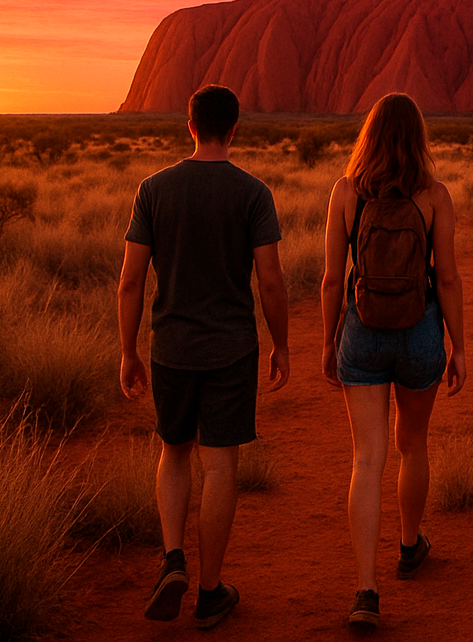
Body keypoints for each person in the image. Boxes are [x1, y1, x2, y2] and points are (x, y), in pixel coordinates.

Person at [118, 83, 290, 630]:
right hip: (231, 349)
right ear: (234, 128)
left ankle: (172, 560)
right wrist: (282, 343)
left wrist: (127, 350)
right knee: (219, 465)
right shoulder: (252, 192)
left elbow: (129, 282)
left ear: (189, 126)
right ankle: (210, 590)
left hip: (170, 347)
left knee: (173, 452)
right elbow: (271, 277)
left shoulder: (153, 189)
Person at [321, 92, 466, 633]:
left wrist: (326, 339)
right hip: (420, 330)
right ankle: (409, 546)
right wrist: (459, 345)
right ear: (418, 137)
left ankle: (365, 588)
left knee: (367, 460)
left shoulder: (345, 194)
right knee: (413, 445)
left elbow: (333, 278)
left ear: (369, 135)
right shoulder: (434, 196)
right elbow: (447, 277)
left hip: (360, 332)